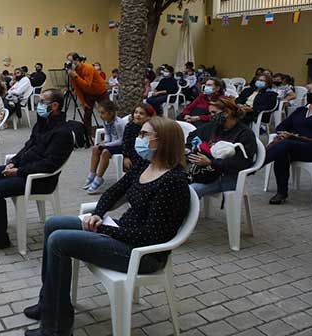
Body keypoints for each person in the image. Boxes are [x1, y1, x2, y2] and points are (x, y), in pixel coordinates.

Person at [23, 117, 190, 336]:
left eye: (144, 135)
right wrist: (97, 215)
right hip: (122, 234)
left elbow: (151, 236)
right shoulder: (145, 165)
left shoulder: (173, 182)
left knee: (59, 241)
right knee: (54, 224)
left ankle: (56, 328)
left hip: (142, 255)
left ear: (164, 141)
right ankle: (49, 304)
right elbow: (114, 192)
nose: (137, 139)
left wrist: (103, 229)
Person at [0, 89, 74, 252]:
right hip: (24, 170)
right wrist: (13, 162)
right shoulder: (42, 124)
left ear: (54, 106)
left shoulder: (63, 133)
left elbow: (49, 165)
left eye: (42, 102)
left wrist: (19, 172)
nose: (38, 105)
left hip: (39, 180)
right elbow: (27, 147)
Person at [264, 82, 312, 204]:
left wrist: (296, 137)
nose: (310, 95)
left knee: (284, 145)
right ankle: (281, 193)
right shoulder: (301, 110)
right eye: (309, 92)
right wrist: (284, 133)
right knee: (281, 152)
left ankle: (255, 164)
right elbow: (282, 126)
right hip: (295, 147)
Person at [186, 98, 256, 197]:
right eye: (210, 113)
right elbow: (193, 136)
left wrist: (211, 162)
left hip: (227, 175)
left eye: (214, 112)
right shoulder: (213, 126)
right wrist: (190, 149)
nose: (211, 116)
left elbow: (243, 162)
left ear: (227, 112)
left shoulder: (245, 134)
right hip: (206, 173)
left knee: (190, 191)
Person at [84, 100, 127, 194]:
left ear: (111, 113)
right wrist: (104, 143)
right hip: (111, 144)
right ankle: (92, 174)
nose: (101, 115)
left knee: (105, 152)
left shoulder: (118, 123)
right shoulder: (106, 121)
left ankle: (99, 178)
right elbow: (107, 134)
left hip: (121, 146)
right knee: (95, 148)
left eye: (103, 113)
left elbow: (121, 140)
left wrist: (106, 145)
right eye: (100, 113)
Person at [67, 52, 108, 135]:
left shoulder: (88, 68)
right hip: (89, 94)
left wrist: (75, 76)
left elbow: (87, 85)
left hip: (100, 92)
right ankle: (88, 135)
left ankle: (110, 130)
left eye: (71, 61)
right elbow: (77, 88)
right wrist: (83, 102)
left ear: (77, 60)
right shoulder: (74, 72)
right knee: (87, 114)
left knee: (107, 111)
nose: (69, 64)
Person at [123, 103, 156, 171]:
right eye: (136, 112)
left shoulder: (150, 127)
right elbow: (125, 143)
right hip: (131, 153)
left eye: (141, 113)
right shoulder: (129, 126)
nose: (138, 115)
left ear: (148, 116)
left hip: (146, 153)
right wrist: (126, 157)